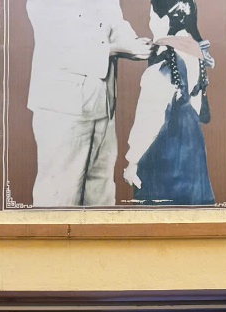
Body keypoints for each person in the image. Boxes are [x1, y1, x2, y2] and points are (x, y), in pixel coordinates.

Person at [24, 0, 151, 207]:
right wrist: (118, 49)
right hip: (62, 108)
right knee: (60, 196)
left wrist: (136, 44)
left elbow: (116, 24)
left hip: (103, 104)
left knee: (101, 194)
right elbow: (58, 45)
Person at [122, 0, 214, 205]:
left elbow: (150, 120)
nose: (151, 22)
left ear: (164, 19)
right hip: (194, 163)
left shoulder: (163, 63)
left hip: (164, 164)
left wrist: (132, 162)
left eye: (152, 16)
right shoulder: (196, 56)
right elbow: (198, 110)